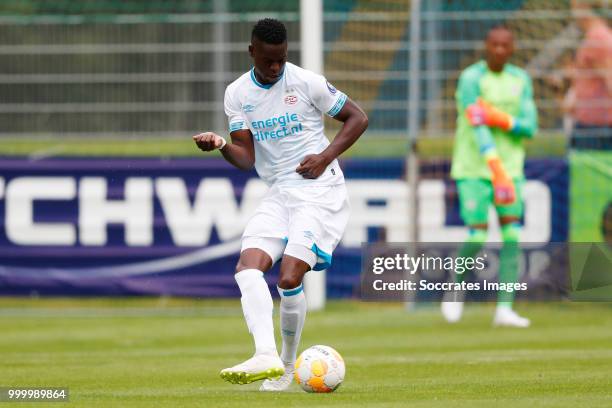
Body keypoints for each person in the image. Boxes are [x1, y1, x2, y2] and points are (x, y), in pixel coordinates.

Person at [193, 18, 368, 390]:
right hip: (279, 193)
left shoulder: (306, 82)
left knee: (289, 276)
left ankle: (288, 367)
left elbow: (358, 117)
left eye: (282, 60)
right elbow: (246, 158)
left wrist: (323, 156)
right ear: (252, 51)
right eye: (269, 61)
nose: (275, 68)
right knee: (247, 268)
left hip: (319, 190)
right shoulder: (237, 93)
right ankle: (265, 355)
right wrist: (222, 145)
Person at [442, 25, 538, 327]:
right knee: (478, 234)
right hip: (475, 168)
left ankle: (505, 309)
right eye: (494, 45)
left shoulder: (520, 79)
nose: (499, 50)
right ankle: (455, 288)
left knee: (511, 235)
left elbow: (530, 126)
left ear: (512, 48)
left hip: (511, 169)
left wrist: (501, 118)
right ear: (486, 46)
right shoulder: (471, 78)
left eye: (504, 45)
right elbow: (476, 123)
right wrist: (495, 166)